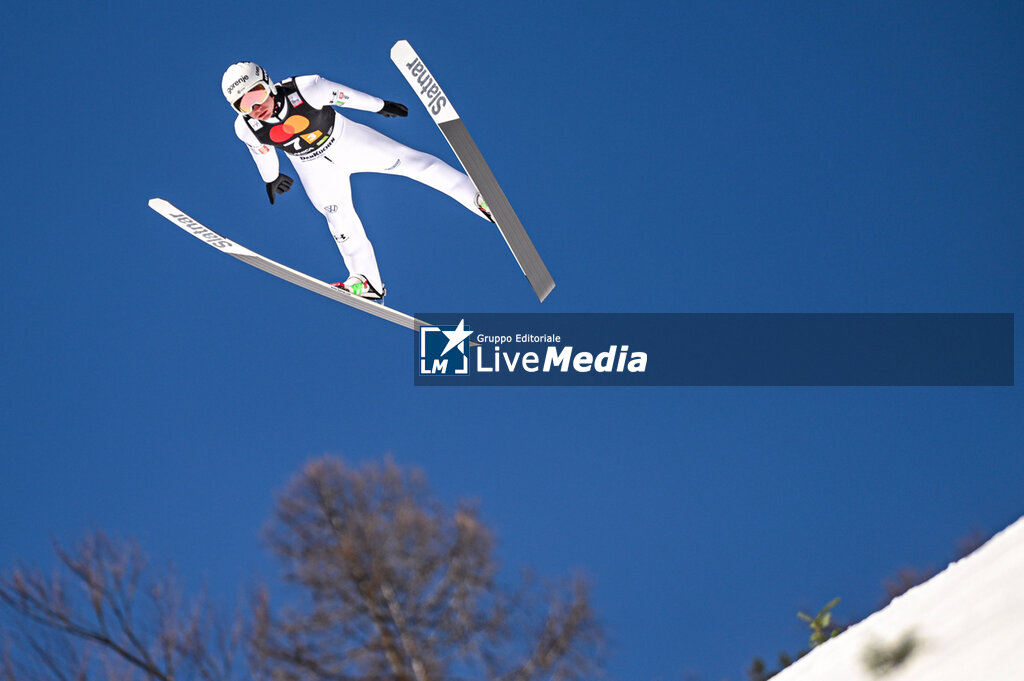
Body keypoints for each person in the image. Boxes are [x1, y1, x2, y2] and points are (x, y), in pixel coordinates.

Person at [221, 61, 493, 300]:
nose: (256, 107)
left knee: (416, 164)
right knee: (338, 219)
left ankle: (478, 199)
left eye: (256, 94)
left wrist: (380, 106)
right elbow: (261, 152)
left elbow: (344, 96)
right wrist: (272, 177)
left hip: (347, 142)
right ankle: (366, 281)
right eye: (243, 104)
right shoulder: (245, 128)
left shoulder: (305, 88)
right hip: (313, 168)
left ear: (268, 83)